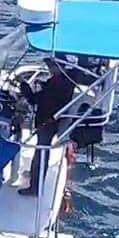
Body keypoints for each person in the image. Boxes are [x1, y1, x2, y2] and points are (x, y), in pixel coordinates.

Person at [18, 58, 77, 197]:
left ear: (60, 66)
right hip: (55, 121)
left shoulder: (55, 84)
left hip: (47, 123)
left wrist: (24, 86)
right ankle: (35, 179)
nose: (49, 68)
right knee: (42, 153)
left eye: (51, 65)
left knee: (40, 154)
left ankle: (35, 188)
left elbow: (35, 99)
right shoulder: (67, 80)